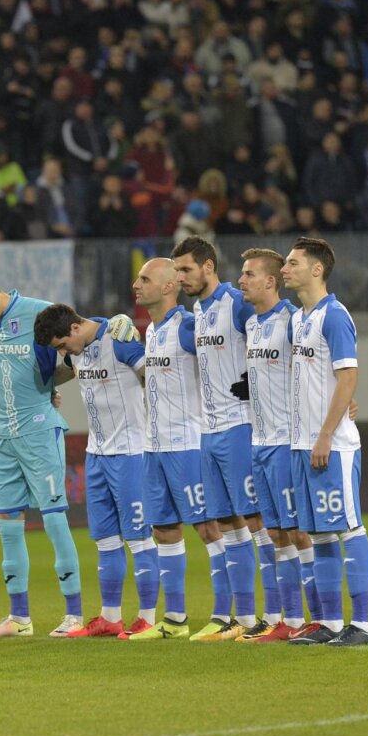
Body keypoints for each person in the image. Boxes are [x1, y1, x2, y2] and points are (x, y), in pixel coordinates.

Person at [0, 273, 83, 637]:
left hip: (40, 431)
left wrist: (51, 385)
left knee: (56, 521)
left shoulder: (40, 313)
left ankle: (74, 616)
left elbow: (81, 334)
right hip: (6, 435)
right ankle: (19, 618)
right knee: (9, 527)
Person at [33, 304, 161, 638]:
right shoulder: (77, 351)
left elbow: (154, 375)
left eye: (63, 345)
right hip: (97, 454)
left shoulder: (119, 337)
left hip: (131, 452)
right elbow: (56, 375)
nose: (64, 353)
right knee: (105, 540)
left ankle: (147, 617)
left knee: (139, 538)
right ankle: (110, 617)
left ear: (74, 329)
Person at [171, 237, 273, 641]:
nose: (181, 278)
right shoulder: (199, 310)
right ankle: (244, 620)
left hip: (239, 427)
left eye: (186, 270)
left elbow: (278, 328)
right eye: (177, 271)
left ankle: (277, 614)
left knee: (257, 522)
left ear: (208, 266)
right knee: (228, 525)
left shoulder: (235, 302)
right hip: (208, 432)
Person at [280, 237, 368, 646]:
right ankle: (331, 623)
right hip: (303, 445)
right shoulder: (298, 318)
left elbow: (348, 376)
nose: (285, 269)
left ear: (317, 269)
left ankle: (363, 626)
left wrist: (325, 435)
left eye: (293, 262)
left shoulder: (334, 316)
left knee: (350, 529)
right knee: (318, 534)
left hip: (332, 446)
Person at [235, 248, 323, 641]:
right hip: (259, 443)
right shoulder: (253, 325)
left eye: (249, 274)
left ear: (270, 281)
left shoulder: (292, 321)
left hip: (288, 443)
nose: (241, 280)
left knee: (300, 533)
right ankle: (288, 621)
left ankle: (319, 618)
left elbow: (318, 366)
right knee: (276, 535)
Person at [124, 257, 210, 640]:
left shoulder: (189, 328)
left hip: (188, 446)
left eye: (145, 279)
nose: (136, 285)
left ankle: (233, 615)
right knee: (164, 531)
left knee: (210, 528)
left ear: (170, 286)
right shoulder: (151, 332)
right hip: (154, 447)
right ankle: (175, 620)